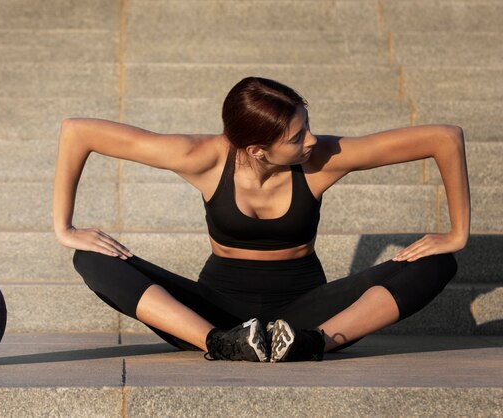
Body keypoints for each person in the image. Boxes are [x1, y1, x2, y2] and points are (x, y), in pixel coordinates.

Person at [53, 77, 468, 362]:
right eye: (295, 138)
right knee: (92, 258)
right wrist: (65, 228)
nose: (311, 140)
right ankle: (222, 344)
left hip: (308, 312)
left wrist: (457, 233)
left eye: (307, 126)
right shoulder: (202, 158)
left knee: (437, 262)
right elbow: (79, 132)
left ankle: (312, 345)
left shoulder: (319, 160)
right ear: (256, 149)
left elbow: (443, 138)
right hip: (214, 312)